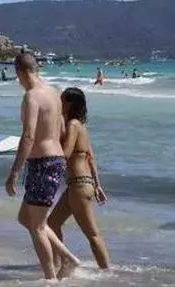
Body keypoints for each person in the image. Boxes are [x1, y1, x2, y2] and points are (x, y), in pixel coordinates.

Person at [5, 53, 80, 281]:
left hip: (43, 163)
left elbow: (28, 136)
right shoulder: (54, 93)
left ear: (20, 72)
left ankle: (50, 279)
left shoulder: (32, 97)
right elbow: (61, 130)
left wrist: (14, 172)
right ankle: (68, 258)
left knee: (36, 226)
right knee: (25, 218)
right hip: (54, 161)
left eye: (18, 76)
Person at [48, 87, 110, 271]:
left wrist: (46, 151)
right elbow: (91, 158)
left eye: (61, 99)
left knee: (92, 233)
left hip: (79, 185)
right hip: (81, 184)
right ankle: (61, 263)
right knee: (52, 223)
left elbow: (66, 153)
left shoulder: (73, 125)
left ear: (69, 103)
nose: (58, 102)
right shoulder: (82, 126)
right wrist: (97, 185)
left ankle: (107, 273)